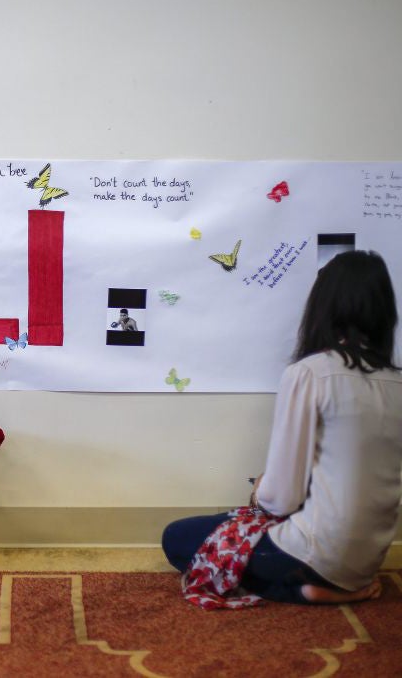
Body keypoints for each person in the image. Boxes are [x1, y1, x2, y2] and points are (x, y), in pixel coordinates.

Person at [162, 250, 402, 605]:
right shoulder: (396, 382)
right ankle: (325, 589)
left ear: (322, 306)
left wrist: (259, 491)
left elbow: (280, 498)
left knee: (177, 538)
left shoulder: (309, 373)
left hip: (310, 554)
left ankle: (305, 591)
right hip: (367, 560)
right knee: (224, 529)